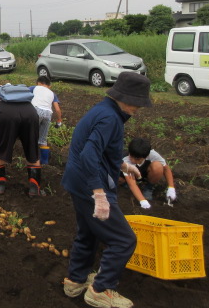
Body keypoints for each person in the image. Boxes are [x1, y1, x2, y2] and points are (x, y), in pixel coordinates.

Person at [61, 72, 151, 308]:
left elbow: (97, 149)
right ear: (125, 97)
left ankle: (75, 281)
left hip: (77, 181)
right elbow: (89, 154)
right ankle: (100, 290)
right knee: (124, 240)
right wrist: (99, 195)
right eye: (137, 102)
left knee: (88, 233)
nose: (139, 108)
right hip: (89, 184)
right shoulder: (110, 118)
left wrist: (123, 165)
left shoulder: (104, 110)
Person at [121, 137, 177, 209]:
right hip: (129, 175)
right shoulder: (125, 160)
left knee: (158, 166)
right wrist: (142, 201)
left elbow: (166, 168)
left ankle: (148, 187)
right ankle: (124, 184)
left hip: (143, 173)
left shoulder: (152, 154)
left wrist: (171, 188)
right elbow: (132, 184)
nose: (133, 160)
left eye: (137, 159)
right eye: (131, 156)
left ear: (146, 156)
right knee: (118, 180)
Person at [28, 76, 63, 164]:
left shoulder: (34, 88)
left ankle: (31, 158)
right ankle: (44, 163)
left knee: (31, 135)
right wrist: (59, 120)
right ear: (49, 86)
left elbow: (22, 95)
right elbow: (57, 109)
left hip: (36, 111)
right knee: (43, 139)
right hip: (48, 113)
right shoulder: (52, 93)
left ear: (38, 83)